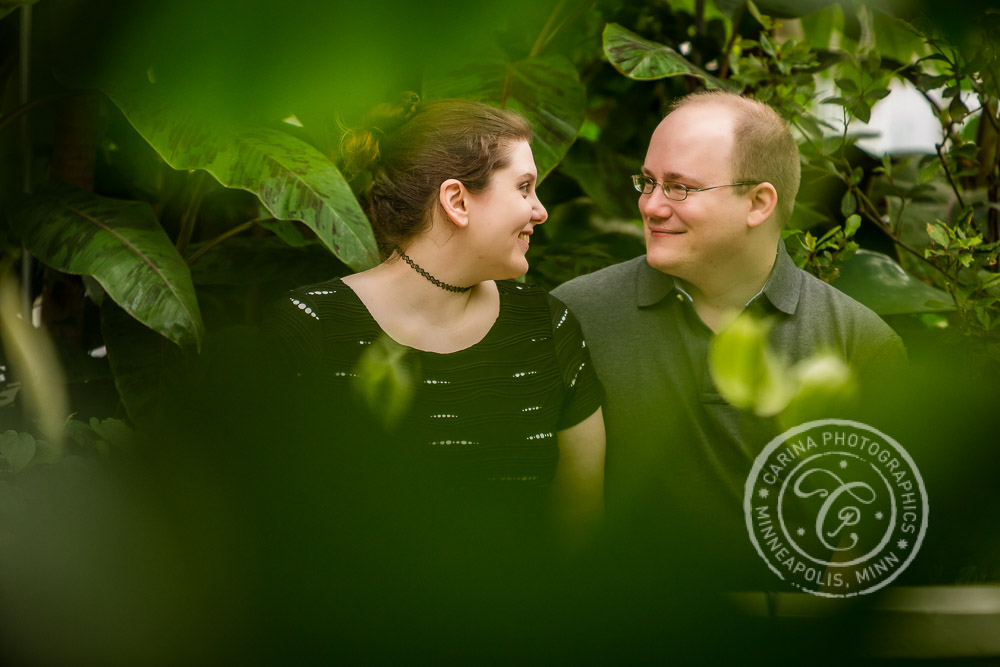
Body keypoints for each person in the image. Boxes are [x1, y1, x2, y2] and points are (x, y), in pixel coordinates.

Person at [552, 90, 905, 580]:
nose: (651, 206)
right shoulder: (577, 315)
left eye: (681, 188)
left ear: (758, 202)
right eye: (648, 182)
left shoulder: (858, 341)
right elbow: (565, 523)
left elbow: (864, 547)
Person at [265, 97, 605, 544]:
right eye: (524, 188)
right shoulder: (311, 327)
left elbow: (579, 532)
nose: (539, 211)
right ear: (457, 201)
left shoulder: (546, 326)